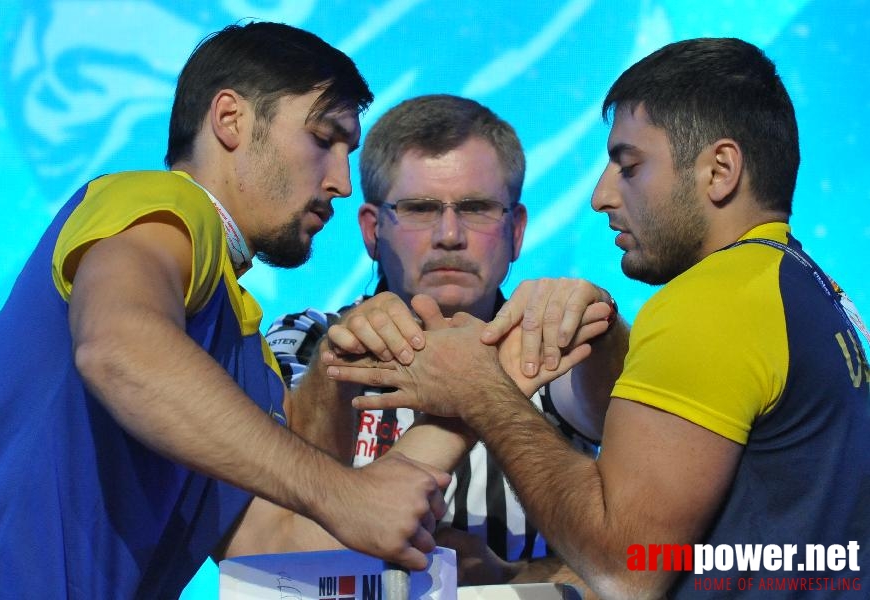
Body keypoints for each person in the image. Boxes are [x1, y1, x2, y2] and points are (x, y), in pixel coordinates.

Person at [324, 38, 870, 598]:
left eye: (629, 166)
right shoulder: (811, 288)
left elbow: (629, 571)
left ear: (720, 170)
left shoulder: (712, 301)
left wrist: (481, 392)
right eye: (419, 209)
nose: (600, 195)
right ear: (371, 227)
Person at [0, 22, 452, 598]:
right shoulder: (163, 201)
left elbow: (273, 548)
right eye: (324, 139)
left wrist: (467, 404)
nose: (342, 183)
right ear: (230, 120)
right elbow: (117, 349)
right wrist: (343, 494)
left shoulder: (244, 354)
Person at [226, 94, 628, 587]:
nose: (450, 235)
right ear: (373, 231)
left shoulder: (552, 345)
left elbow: (611, 402)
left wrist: (602, 322)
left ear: (516, 230)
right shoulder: (304, 338)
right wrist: (337, 368)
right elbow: (273, 534)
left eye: (477, 208)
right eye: (419, 209)